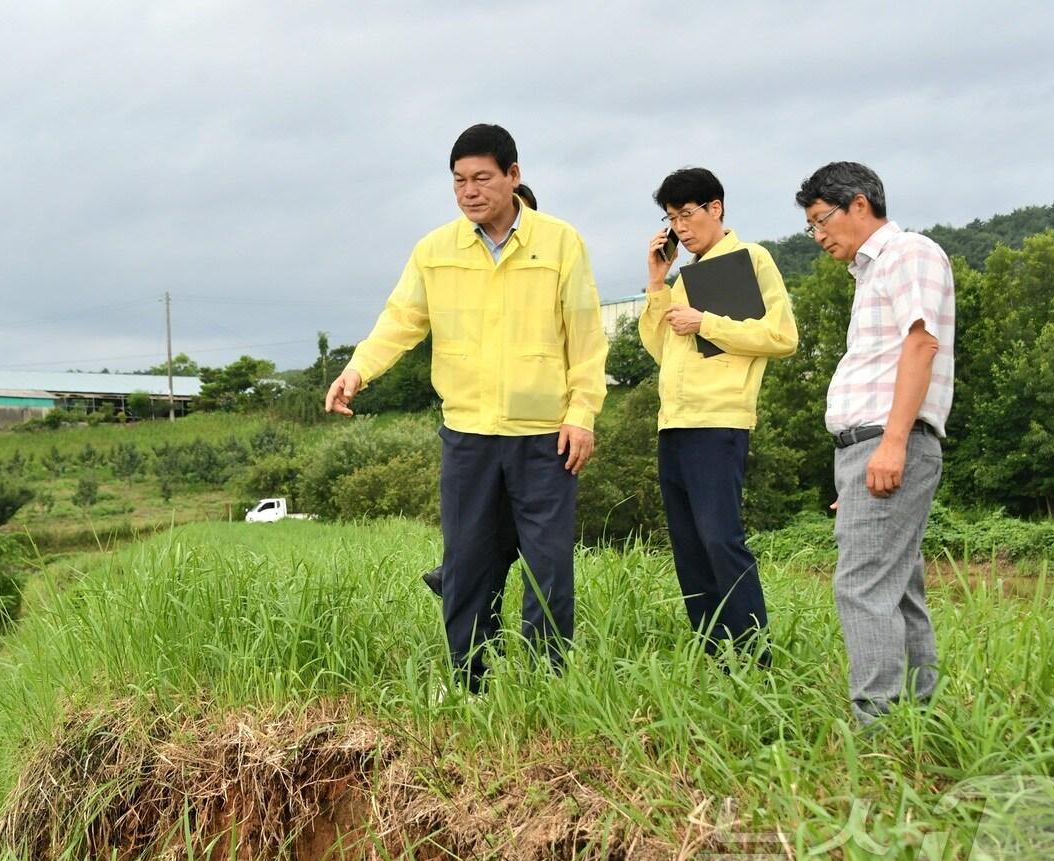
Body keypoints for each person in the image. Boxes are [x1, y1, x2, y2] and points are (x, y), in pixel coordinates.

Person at [326, 125, 606, 692]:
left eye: (482, 178)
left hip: (544, 435)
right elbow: (400, 321)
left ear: (513, 176)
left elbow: (586, 337)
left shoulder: (560, 243)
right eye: (459, 181)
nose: (470, 191)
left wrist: (583, 414)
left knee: (548, 568)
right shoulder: (435, 250)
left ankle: (547, 686)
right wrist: (357, 370)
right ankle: (469, 683)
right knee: (468, 566)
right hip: (468, 436)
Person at [796, 161, 954, 726]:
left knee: (861, 586)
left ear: (858, 204)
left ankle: (877, 729)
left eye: (821, 221)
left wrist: (889, 446)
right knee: (896, 587)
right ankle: (918, 720)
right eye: (811, 227)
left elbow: (921, 345)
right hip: (869, 447)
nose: (818, 237)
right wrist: (859, 462)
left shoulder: (908, 253)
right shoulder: (869, 274)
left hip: (891, 440)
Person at [638, 168, 797, 665]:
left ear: (716, 208)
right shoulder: (687, 276)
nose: (680, 228)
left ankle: (754, 657)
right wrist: (657, 282)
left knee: (719, 539)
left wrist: (706, 321)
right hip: (675, 422)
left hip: (720, 421)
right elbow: (662, 350)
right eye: (671, 219)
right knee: (688, 547)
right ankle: (713, 655)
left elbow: (782, 337)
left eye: (687, 215)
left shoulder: (752, 259)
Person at [421, 181, 538, 599]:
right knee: (484, 535)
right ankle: (474, 643)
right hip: (475, 426)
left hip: (536, 428)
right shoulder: (450, 262)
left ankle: (455, 574)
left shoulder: (547, 266)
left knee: (515, 539)